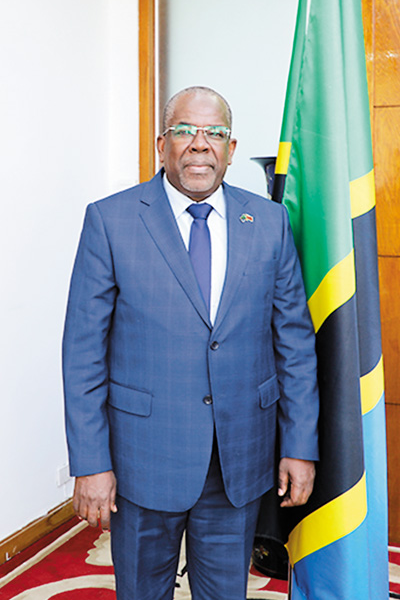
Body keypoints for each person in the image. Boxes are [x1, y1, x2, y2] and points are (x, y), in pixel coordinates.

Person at [62, 86, 319, 600]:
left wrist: (299, 445)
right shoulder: (110, 220)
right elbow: (83, 354)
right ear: (162, 144)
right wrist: (91, 463)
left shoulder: (268, 222)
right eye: (184, 130)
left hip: (237, 459)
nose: (200, 143)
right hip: (142, 460)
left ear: (230, 147)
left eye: (214, 133)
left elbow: (293, 342)